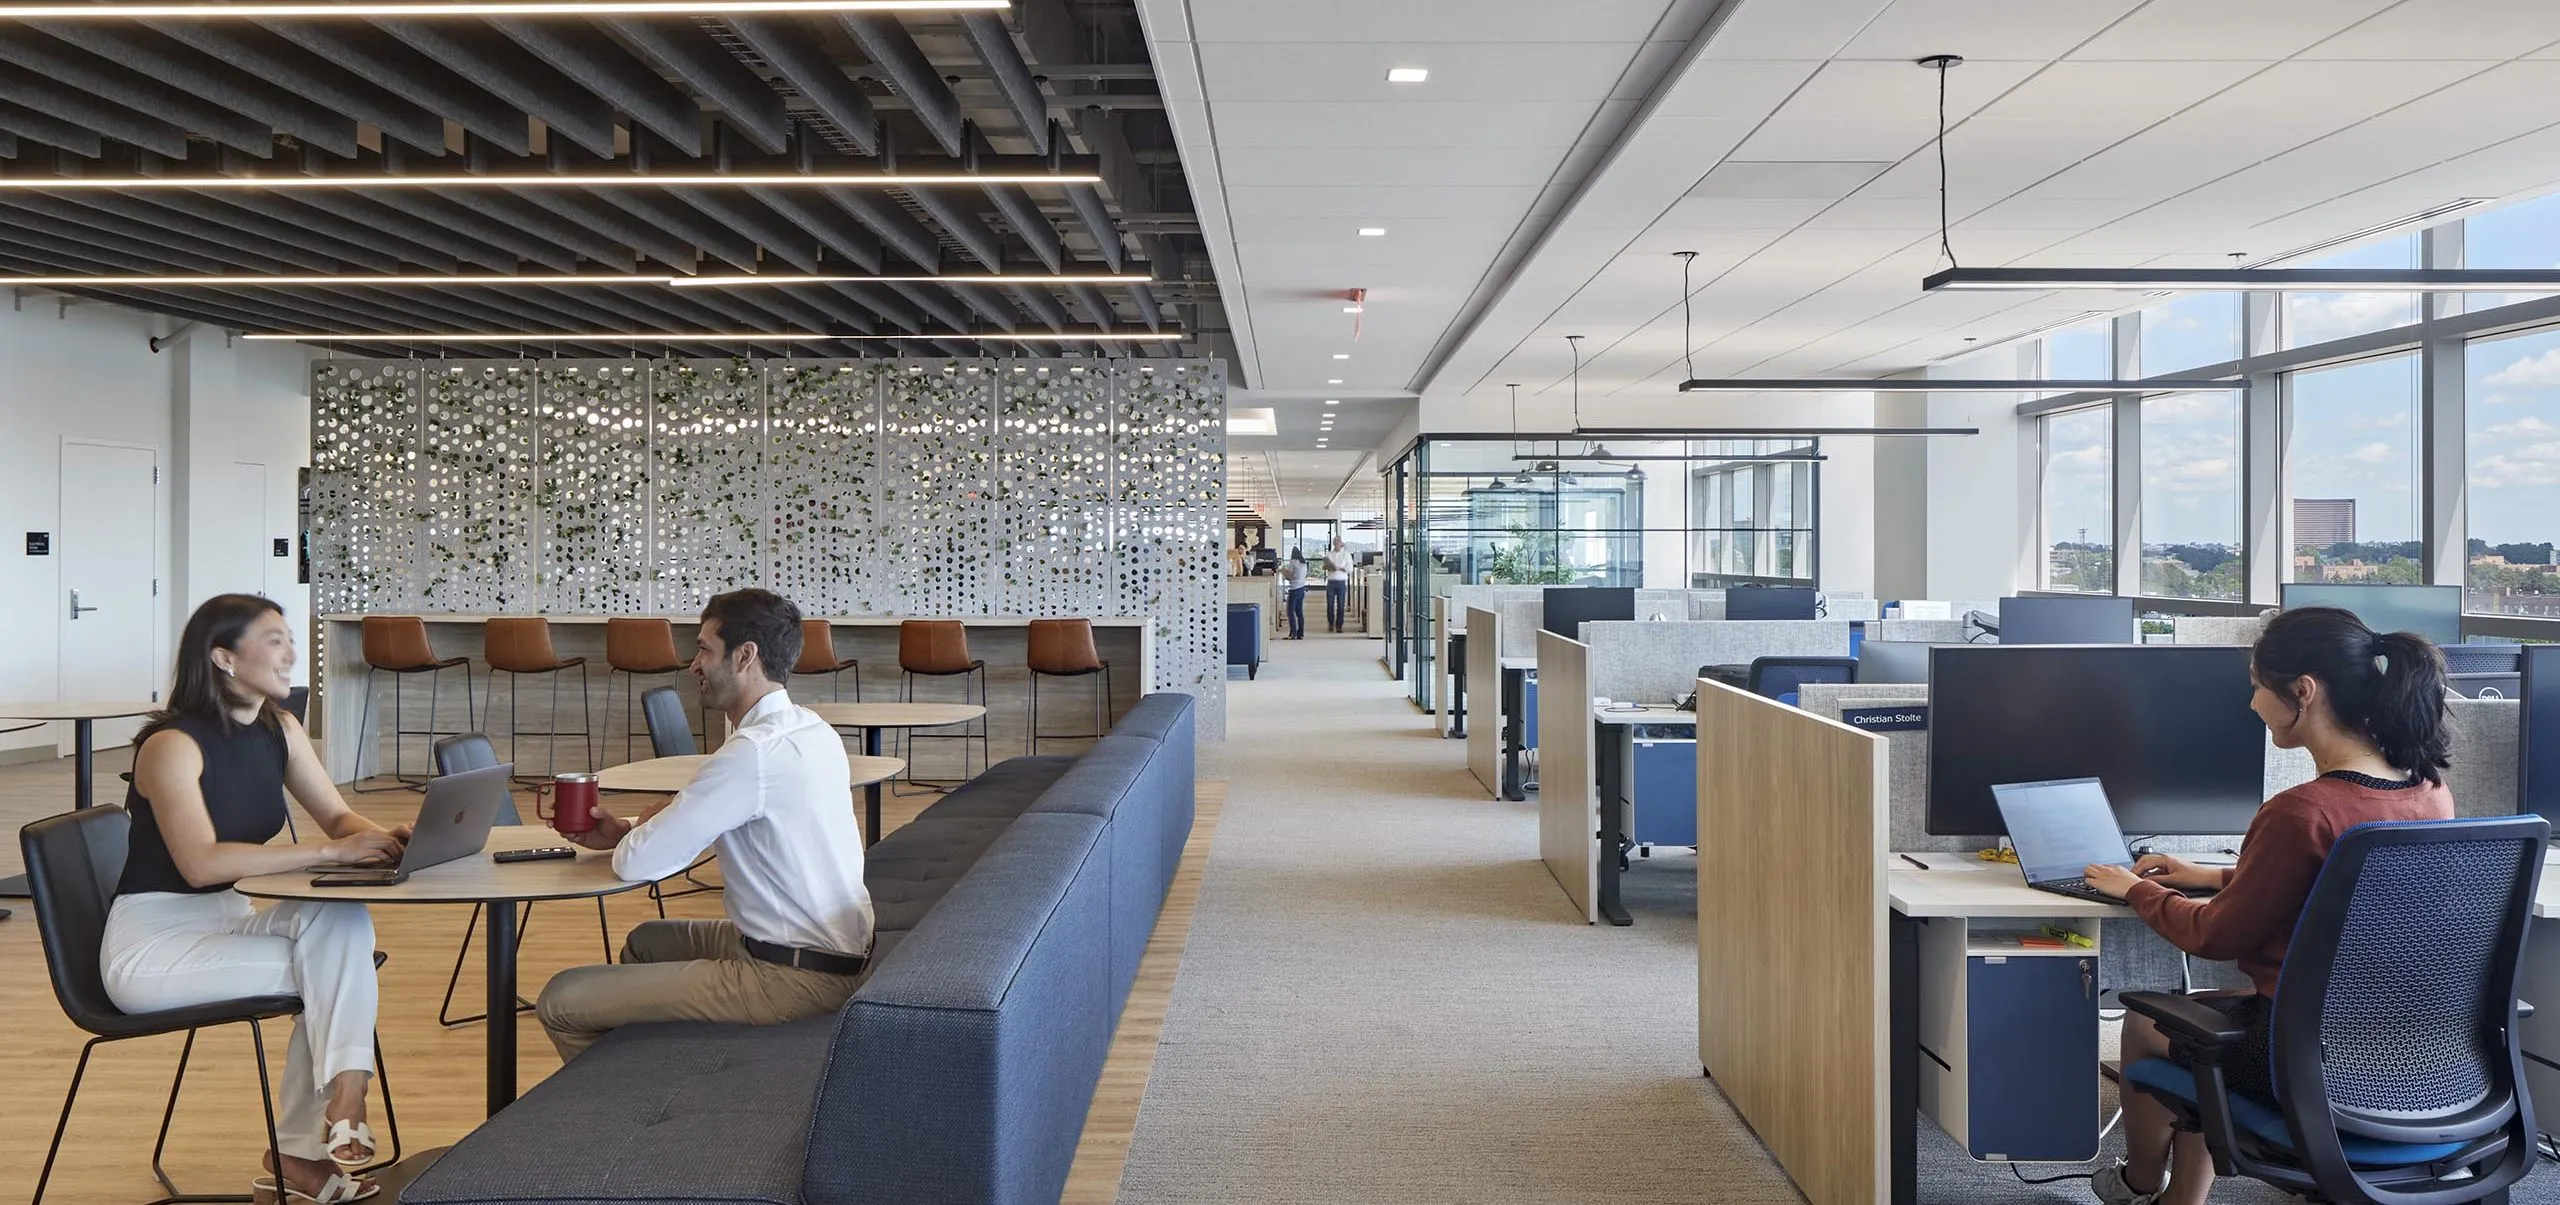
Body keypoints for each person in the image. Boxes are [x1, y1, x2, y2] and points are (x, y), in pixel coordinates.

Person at [2077, 606, 2454, 1205]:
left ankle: (2137, 1183)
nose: (2252, 703)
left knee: (2152, 1022)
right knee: (2200, 1022)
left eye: (2256, 686)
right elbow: (2340, 886)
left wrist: (2137, 890)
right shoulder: (2427, 791)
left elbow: (2213, 937)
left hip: (2301, 1058)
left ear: (2303, 692)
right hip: (2409, 1053)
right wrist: (2219, 872)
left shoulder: (2301, 810)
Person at [102, 594, 409, 1204]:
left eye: (290, 637)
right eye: (273, 639)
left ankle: (333, 1106)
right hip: (154, 949)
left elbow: (337, 816)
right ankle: (316, 1130)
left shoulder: (280, 729)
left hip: (229, 921)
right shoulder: (171, 746)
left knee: (340, 916)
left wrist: (381, 839)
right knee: (326, 966)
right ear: (222, 656)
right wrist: (330, 856)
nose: (291, 651)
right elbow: (200, 864)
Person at [536, 588, 872, 1062]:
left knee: (562, 999)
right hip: (831, 953)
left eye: (705, 649)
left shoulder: (750, 754)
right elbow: (715, 826)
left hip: (793, 978)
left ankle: (616, 1117)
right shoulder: (809, 729)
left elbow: (638, 864)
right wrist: (629, 828)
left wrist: (637, 837)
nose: (694, 665)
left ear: (745, 656)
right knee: (647, 943)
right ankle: (660, 1071)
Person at [1322, 541, 1353, 633]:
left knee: (1341, 605)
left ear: (1341, 544)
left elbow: (1350, 569)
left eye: (1338, 543)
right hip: (1331, 581)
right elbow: (1324, 567)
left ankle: (1339, 625)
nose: (1337, 545)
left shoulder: (1346, 555)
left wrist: (1341, 568)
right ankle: (1331, 624)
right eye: (1335, 543)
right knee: (1330, 605)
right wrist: (1328, 567)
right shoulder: (1329, 554)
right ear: (1334, 544)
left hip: (1341, 581)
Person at [1280, 548, 1309, 639]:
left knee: (1290, 612)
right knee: (1299, 612)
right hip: (1301, 589)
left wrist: (1282, 571)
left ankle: (1293, 634)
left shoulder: (1293, 562)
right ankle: (1300, 633)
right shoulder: (1304, 563)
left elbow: (1290, 576)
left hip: (1294, 589)